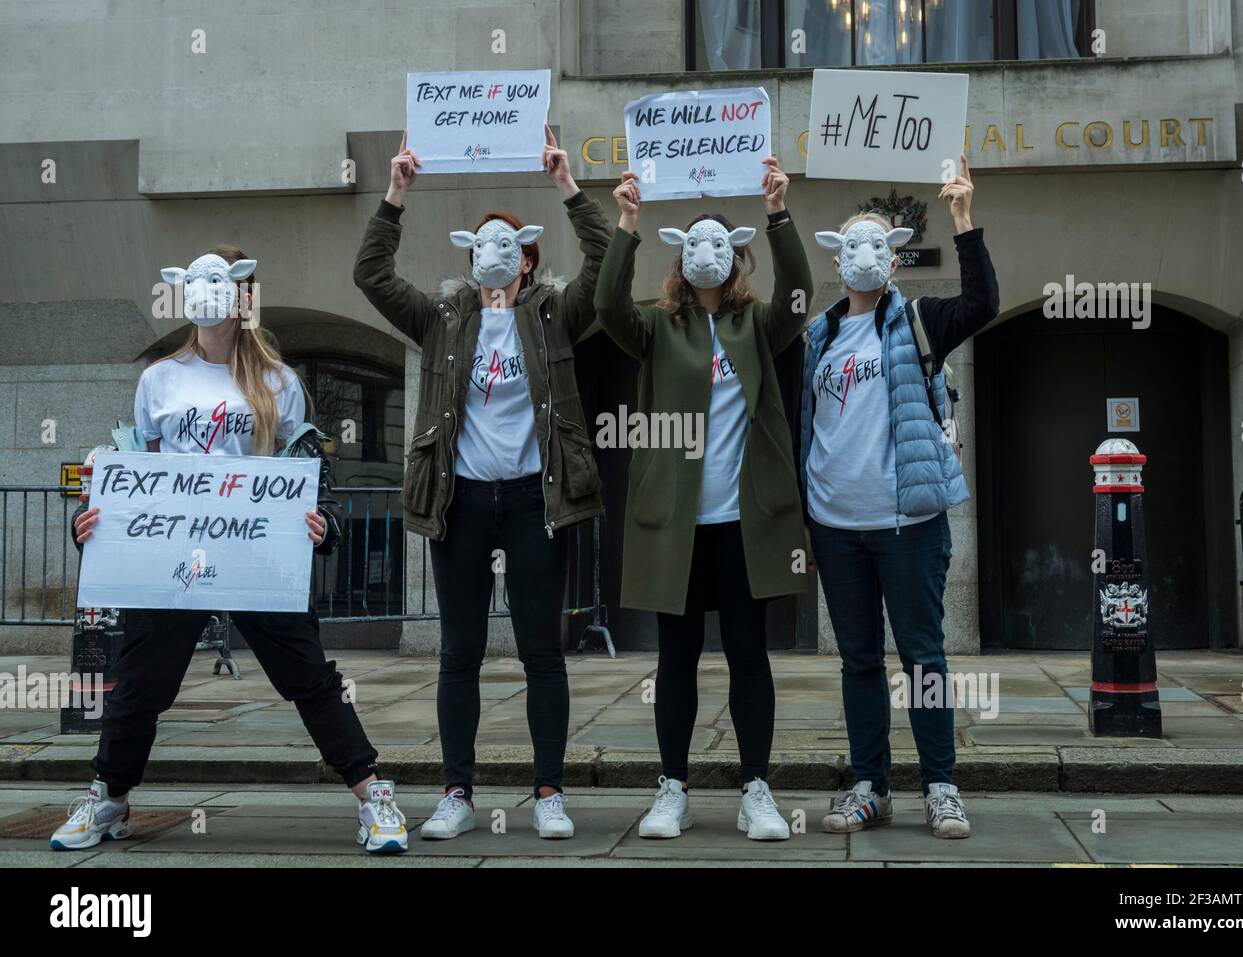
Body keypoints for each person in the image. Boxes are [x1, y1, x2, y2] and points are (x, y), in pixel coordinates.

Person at [55, 246, 409, 854]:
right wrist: (95, 525)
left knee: (309, 678)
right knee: (140, 681)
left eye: (221, 284)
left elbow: (308, 476)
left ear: (244, 294)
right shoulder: (158, 378)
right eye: (196, 283)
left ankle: (374, 796)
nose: (208, 296)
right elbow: (136, 471)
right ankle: (108, 797)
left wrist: (323, 524)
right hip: (172, 559)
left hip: (255, 558)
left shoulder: (278, 381)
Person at [353, 127, 611, 840]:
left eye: (506, 245)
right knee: (459, 651)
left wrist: (567, 183)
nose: (490, 255)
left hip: (536, 500)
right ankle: (457, 790)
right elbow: (371, 276)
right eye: (479, 245)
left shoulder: (553, 316)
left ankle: (549, 791)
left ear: (527, 261)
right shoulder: (443, 319)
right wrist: (395, 193)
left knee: (540, 651)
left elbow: (607, 264)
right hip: (460, 502)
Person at [594, 158, 812, 841]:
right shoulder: (659, 328)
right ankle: (673, 787)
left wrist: (779, 212)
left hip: (746, 523)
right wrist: (627, 222)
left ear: (737, 255)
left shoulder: (756, 325)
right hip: (677, 526)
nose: (707, 254)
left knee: (750, 653)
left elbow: (802, 294)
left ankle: (756, 789)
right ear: (680, 259)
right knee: (676, 657)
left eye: (721, 243)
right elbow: (604, 308)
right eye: (695, 244)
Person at [801, 154, 999, 838]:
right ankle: (870, 785)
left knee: (923, 656)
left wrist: (963, 219)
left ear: (892, 259)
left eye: (876, 243)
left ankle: (941, 785)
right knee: (858, 659)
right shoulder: (818, 335)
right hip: (835, 525)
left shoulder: (917, 322)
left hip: (906, 522)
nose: (862, 252)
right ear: (836, 257)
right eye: (850, 240)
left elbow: (983, 305)